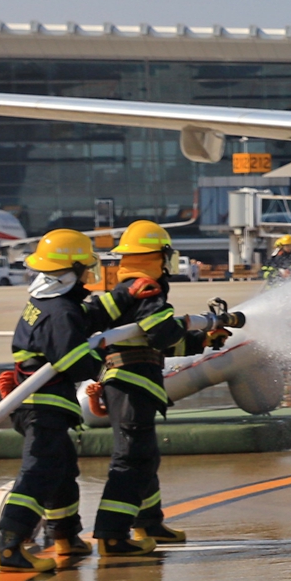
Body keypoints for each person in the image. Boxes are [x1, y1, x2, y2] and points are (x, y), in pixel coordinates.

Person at [0, 229, 104, 572]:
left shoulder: (43, 302)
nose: (88, 274)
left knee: (61, 469)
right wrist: (98, 361)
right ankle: (11, 543)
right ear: (71, 269)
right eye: (85, 268)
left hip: (40, 403)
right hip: (44, 406)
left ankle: (65, 536)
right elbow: (72, 360)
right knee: (39, 472)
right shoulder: (60, 312)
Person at [84, 221, 197, 556]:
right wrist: (186, 325)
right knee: (132, 457)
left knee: (145, 455)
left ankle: (149, 522)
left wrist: (201, 339)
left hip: (134, 381)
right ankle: (112, 534)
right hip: (131, 384)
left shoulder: (131, 287)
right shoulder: (147, 287)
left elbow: (153, 342)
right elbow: (163, 334)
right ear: (158, 257)